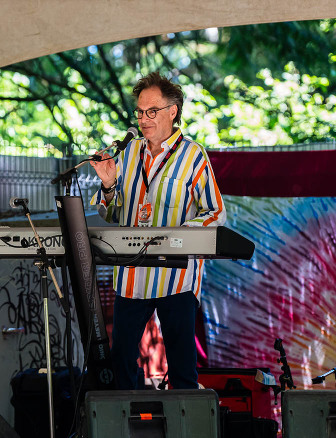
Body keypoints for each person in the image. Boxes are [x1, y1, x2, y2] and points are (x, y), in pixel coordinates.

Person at [89, 72, 226, 390]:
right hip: (132, 275)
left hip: (176, 276)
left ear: (172, 111)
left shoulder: (193, 155)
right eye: (139, 111)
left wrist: (178, 234)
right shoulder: (127, 153)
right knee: (121, 360)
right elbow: (110, 212)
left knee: (182, 367)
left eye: (152, 111)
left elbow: (214, 211)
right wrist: (108, 184)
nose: (144, 118)